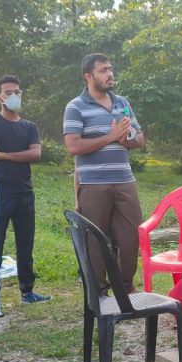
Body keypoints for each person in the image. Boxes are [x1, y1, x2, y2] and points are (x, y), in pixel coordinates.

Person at [63, 53, 144, 292]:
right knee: (95, 240)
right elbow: (73, 146)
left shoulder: (123, 103)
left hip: (125, 181)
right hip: (94, 184)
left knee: (131, 236)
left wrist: (128, 141)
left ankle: (125, 288)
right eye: (103, 70)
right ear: (89, 76)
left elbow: (140, 137)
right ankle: (98, 291)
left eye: (110, 69)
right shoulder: (75, 106)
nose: (110, 74)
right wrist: (111, 137)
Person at [0, 75, 50, 303]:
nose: (13, 96)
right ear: (0, 98)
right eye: (8, 93)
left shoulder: (30, 127)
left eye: (17, 91)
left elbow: (35, 154)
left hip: (25, 193)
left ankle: (28, 291)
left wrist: (3, 155)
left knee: (25, 243)